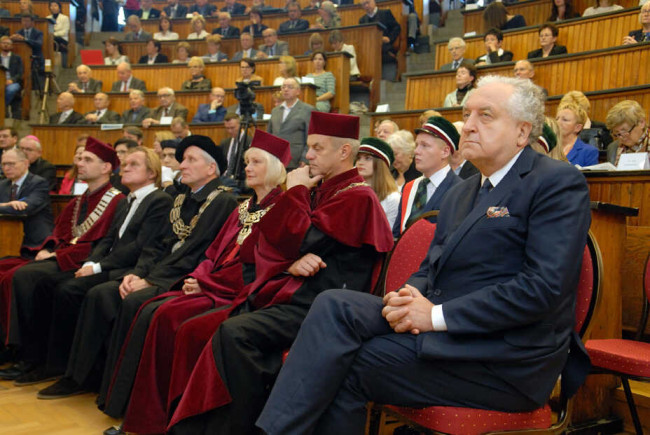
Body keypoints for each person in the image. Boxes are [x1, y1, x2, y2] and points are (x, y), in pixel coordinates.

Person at [256, 75, 593, 435]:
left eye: (486, 116)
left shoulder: (556, 183)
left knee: (348, 363)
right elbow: (432, 266)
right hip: (445, 331)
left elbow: (542, 289)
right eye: (467, 114)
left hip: (505, 358)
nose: (469, 126)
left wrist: (436, 316)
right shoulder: (461, 192)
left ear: (522, 133)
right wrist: (409, 296)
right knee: (332, 304)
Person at [168, 111, 394, 434]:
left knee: (235, 334)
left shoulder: (358, 197)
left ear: (344, 152)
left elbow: (303, 239)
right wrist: (288, 262)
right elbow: (264, 242)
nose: (308, 155)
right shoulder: (321, 189)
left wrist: (295, 192)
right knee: (224, 326)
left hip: (319, 307)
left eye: (317, 148)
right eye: (310, 147)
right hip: (291, 291)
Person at [93, 130, 289, 434]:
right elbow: (211, 254)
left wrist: (206, 284)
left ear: (275, 169)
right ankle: (145, 417)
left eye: (256, 162)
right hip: (210, 285)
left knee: (171, 320)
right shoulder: (241, 208)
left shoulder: (280, 210)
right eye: (247, 161)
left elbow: (260, 267)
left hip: (237, 295)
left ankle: (174, 420)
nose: (247, 167)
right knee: (156, 313)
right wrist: (199, 277)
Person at [43, 138, 235, 425]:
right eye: (183, 159)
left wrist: (150, 280)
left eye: (191, 159)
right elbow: (160, 246)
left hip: (185, 277)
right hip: (160, 271)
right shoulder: (181, 199)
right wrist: (140, 275)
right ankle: (96, 383)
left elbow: (196, 251)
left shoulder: (222, 200)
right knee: (106, 295)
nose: (182, 164)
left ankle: (126, 398)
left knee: (131, 300)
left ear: (212, 168)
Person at [7, 147, 173, 386]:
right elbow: (107, 240)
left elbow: (139, 247)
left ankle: (70, 371)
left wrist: (97, 268)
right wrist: (91, 262)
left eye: (133, 164)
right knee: (47, 284)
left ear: (152, 173)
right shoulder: (127, 201)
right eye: (124, 164)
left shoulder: (159, 200)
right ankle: (42, 360)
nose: (124, 167)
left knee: (68, 290)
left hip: (130, 269)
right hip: (110, 264)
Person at [0, 139, 123, 375]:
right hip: (63, 254)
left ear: (106, 167)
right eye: (80, 158)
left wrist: (57, 255)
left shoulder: (116, 200)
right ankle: (9, 347)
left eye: (88, 160)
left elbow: (101, 243)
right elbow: (60, 232)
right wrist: (49, 249)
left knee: (25, 276)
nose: (80, 163)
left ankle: (30, 355)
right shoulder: (80, 199)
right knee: (5, 267)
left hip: (81, 260)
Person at [392, 116, 461, 237]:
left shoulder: (461, 190)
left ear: (445, 152)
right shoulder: (409, 187)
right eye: (417, 145)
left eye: (424, 145)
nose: (416, 151)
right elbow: (397, 234)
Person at [0, 148, 53, 248]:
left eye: (11, 164)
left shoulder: (39, 183)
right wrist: (6, 204)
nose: (6, 168)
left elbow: (23, 209)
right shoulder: (2, 185)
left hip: (34, 242)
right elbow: (9, 207)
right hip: (6, 238)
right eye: (3, 164)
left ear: (25, 163)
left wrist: (7, 206)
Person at [267, 77, 314, 169]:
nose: (285, 89)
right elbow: (270, 135)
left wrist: (305, 158)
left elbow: (310, 137)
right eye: (283, 87)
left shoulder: (307, 110)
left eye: (290, 87)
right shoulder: (275, 111)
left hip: (295, 160)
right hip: (275, 159)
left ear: (298, 91)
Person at [356, 137, 400, 228]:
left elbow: (390, 235)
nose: (360, 162)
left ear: (380, 164)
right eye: (359, 158)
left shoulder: (392, 198)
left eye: (367, 158)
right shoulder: (353, 191)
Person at [605, 100, 649, 165]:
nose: (621, 137)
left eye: (625, 131)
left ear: (641, 122)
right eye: (617, 134)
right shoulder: (613, 148)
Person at [556, 102, 599, 166]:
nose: (558, 122)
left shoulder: (589, 152)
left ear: (577, 127)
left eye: (565, 120)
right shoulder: (547, 148)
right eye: (557, 119)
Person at [359, 0, 400, 65]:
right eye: (363, 4)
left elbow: (396, 28)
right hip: (370, 53)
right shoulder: (362, 20)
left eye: (367, 2)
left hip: (385, 50)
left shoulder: (385, 13)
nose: (366, 6)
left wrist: (389, 38)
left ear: (374, 2)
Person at [11, 14, 44, 90]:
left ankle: (34, 89)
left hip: (35, 58)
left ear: (32, 22)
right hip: (21, 58)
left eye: (27, 21)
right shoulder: (18, 32)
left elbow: (38, 44)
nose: (25, 23)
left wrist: (25, 39)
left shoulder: (38, 33)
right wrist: (12, 39)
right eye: (23, 21)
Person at [220, 113, 252, 179]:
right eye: (227, 128)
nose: (230, 131)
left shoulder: (249, 142)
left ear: (241, 125)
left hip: (241, 181)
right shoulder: (225, 143)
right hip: (224, 179)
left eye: (232, 128)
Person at [0, 37, 24, 119]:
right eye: (4, 43)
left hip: (13, 82)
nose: (6, 45)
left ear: (11, 46)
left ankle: (2, 107)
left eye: (8, 43)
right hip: (1, 81)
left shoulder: (17, 58)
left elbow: (20, 73)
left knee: (11, 90)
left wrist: (12, 80)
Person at [46, 1, 70, 67]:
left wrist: (53, 35)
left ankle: (63, 64)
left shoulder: (65, 18)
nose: (53, 7)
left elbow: (64, 31)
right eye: (51, 6)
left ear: (59, 8)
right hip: (52, 38)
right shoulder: (48, 18)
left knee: (56, 39)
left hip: (62, 38)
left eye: (55, 5)